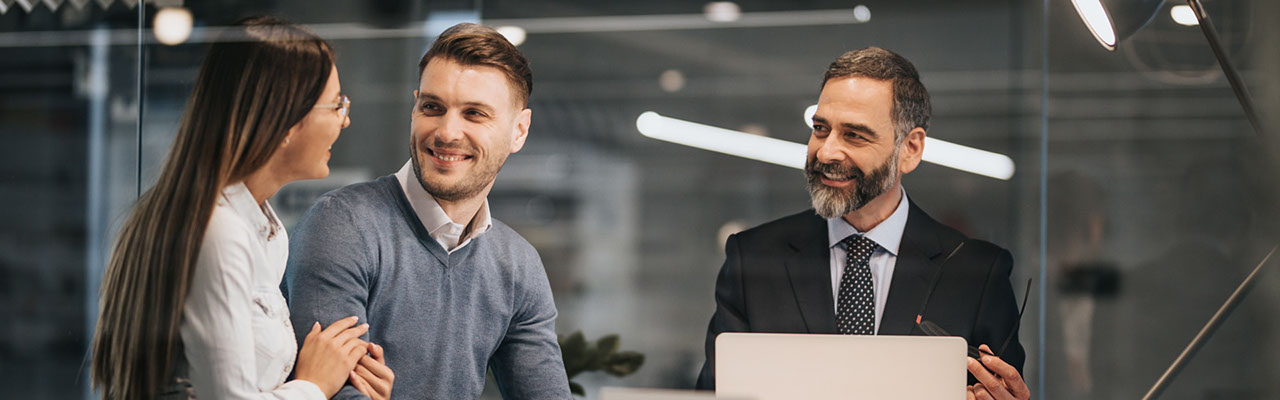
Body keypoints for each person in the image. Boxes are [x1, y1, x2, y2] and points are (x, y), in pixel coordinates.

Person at [694, 47, 1030, 400]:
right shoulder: (752, 258)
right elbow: (713, 393)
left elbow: (999, 391)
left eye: (854, 135)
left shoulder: (977, 273)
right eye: (821, 129)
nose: (826, 152)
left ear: (910, 149)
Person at [89, 17, 392, 400]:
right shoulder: (218, 232)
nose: (344, 120)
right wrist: (313, 386)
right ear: (284, 120)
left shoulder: (265, 230)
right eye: (336, 104)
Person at [282, 23, 569, 399]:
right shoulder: (342, 225)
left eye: (474, 114)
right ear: (414, 107)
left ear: (519, 130)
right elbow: (336, 393)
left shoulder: (518, 265)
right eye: (432, 107)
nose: (447, 132)